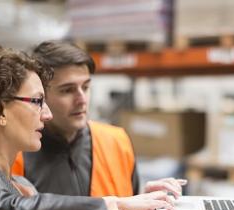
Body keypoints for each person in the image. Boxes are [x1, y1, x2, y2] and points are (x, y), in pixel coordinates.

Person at [0, 44, 175, 210]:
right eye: (37, 101)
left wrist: (139, 207)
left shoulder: (18, 184)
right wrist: (118, 205)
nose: (47, 114)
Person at [11, 40, 185, 198]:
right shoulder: (16, 155)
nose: (82, 99)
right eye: (67, 90)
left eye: (86, 87)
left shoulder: (116, 142)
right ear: (41, 96)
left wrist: (146, 201)